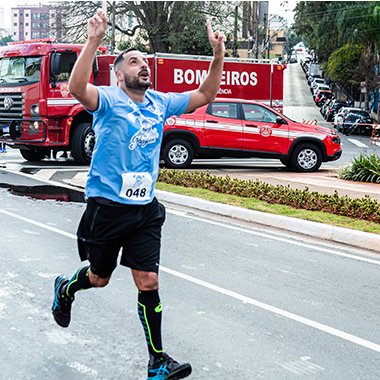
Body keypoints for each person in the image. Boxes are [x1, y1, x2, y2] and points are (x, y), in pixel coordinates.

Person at [51, 7, 225, 380]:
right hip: (107, 207)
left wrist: (217, 53)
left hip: (145, 208)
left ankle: (157, 361)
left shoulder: (160, 102)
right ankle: (66, 289)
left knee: (148, 282)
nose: (142, 66)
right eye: (133, 61)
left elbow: (207, 93)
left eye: (145, 61)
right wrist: (94, 39)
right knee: (99, 278)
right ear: (118, 74)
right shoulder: (108, 101)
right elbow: (77, 88)